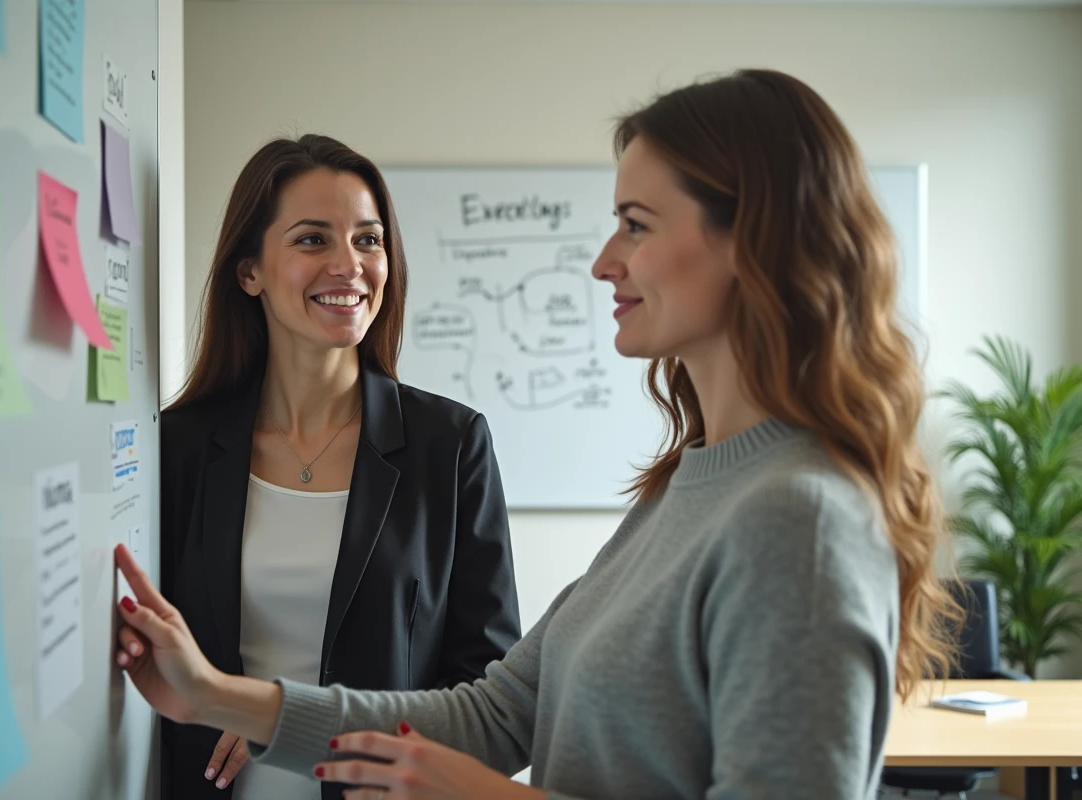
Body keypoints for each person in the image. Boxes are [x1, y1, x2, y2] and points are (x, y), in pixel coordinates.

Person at [119, 70, 958, 799]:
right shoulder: (686, 487)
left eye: (635, 222)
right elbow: (493, 712)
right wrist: (212, 696)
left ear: (752, 239)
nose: (603, 261)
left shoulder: (799, 519)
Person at [158, 134, 521, 800]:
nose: (349, 265)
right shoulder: (179, 449)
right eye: (311, 240)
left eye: (368, 240)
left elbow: (489, 691)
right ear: (249, 273)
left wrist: (280, 717)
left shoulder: (452, 443)